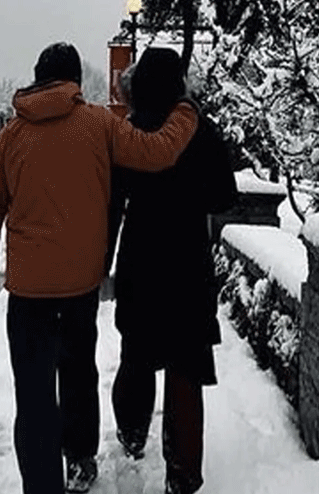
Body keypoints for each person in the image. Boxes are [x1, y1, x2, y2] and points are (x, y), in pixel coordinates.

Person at [0, 42, 199, 494]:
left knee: (34, 397)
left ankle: (42, 484)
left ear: (38, 76)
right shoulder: (100, 125)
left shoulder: (11, 136)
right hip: (78, 286)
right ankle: (79, 460)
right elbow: (156, 152)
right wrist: (185, 113)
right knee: (78, 373)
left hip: (29, 292)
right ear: (75, 81)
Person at [106, 48, 238, 494]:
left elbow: (112, 203)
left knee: (137, 356)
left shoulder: (130, 134)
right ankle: (183, 473)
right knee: (185, 369)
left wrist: (102, 263)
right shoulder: (204, 132)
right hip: (187, 264)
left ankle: (131, 433)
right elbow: (225, 197)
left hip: (142, 261)